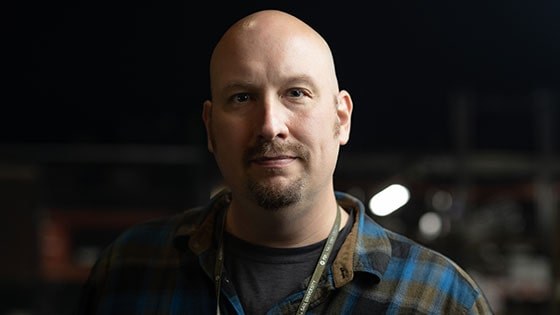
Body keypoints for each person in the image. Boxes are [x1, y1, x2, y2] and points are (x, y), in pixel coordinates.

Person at [76, 9, 494, 315]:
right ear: (210, 127)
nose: (270, 125)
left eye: (295, 93)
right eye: (242, 97)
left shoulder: (441, 299)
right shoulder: (128, 269)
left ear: (340, 118)